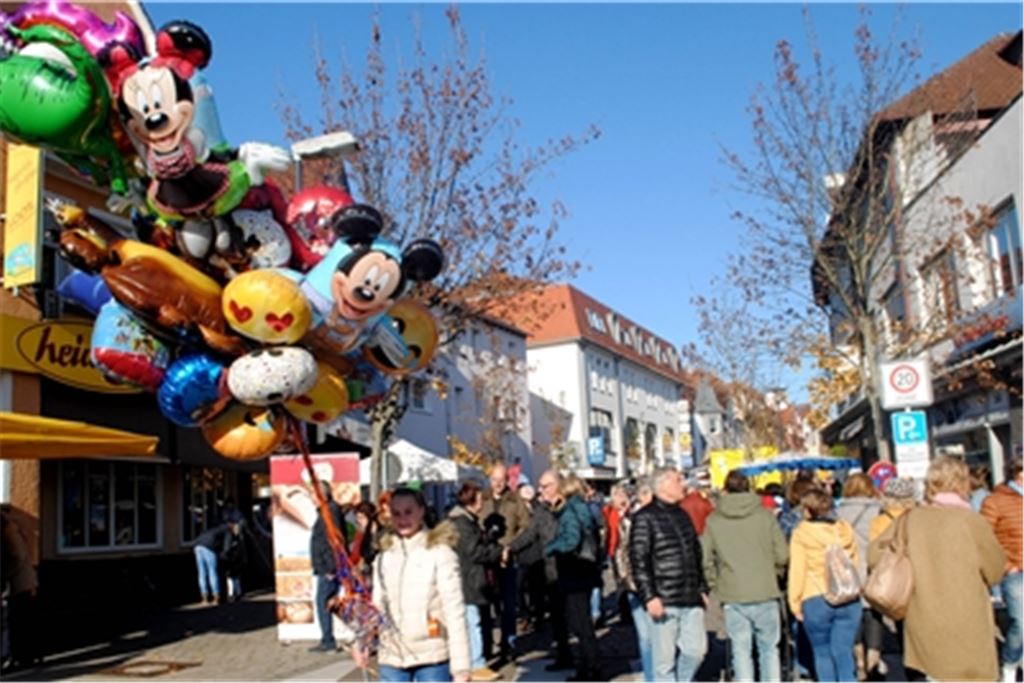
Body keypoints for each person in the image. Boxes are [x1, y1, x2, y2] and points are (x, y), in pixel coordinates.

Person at [869, 456, 1005, 681]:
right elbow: (994, 571)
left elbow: (874, 556)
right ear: (962, 483)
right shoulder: (972, 522)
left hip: (922, 621)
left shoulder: (909, 520)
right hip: (968, 624)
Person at [354, 487, 471, 682]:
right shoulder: (385, 557)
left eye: (408, 512)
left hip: (432, 655)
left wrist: (461, 667)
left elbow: (454, 609)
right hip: (392, 654)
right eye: (396, 513)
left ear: (421, 511)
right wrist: (362, 641)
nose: (403, 519)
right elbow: (377, 606)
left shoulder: (440, 553)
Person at [702, 470, 788, 682]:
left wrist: (716, 583)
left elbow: (705, 559)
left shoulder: (714, 520)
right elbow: (783, 555)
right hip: (765, 589)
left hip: (733, 592)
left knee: (741, 651)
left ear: (725, 489)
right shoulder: (765, 515)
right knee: (769, 650)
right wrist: (774, 573)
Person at [630, 467, 708, 682]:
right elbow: (639, 560)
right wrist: (649, 596)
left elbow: (695, 552)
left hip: (690, 595)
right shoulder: (645, 517)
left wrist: (702, 587)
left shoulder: (682, 514)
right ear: (663, 485)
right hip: (664, 597)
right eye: (677, 480)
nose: (682, 484)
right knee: (664, 662)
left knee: (696, 651)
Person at [787, 487, 860, 682]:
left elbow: (797, 570)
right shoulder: (844, 530)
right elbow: (854, 562)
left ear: (808, 510)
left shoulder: (802, 533)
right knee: (844, 653)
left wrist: (795, 604)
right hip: (848, 596)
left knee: (822, 653)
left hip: (815, 597)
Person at [541, 470, 602, 681]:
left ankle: (590, 669)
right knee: (582, 623)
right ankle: (589, 667)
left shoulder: (570, 510)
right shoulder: (582, 508)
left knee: (580, 624)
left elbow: (571, 540)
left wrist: (551, 547)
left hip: (574, 571)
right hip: (584, 570)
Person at [448, 481, 504, 682]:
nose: (482, 502)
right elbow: (473, 552)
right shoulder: (462, 523)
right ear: (471, 501)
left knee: (474, 621)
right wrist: (497, 551)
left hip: (470, 577)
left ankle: (476, 660)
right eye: (480, 498)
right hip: (468, 579)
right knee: (472, 622)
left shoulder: (466, 520)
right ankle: (476, 663)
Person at [515, 474, 572, 671]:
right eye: (540, 486)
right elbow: (530, 534)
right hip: (551, 572)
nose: (541, 491)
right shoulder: (541, 511)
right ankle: (565, 655)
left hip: (571, 570)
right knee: (557, 618)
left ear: (558, 486)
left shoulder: (569, 507)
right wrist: (508, 549)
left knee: (578, 620)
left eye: (545, 486)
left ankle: (591, 665)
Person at [864, 476, 917, 680]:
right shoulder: (918, 518)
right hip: (918, 579)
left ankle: (909, 668)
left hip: (896, 582)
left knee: (902, 626)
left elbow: (874, 557)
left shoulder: (879, 522)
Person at [479, 461, 531, 662]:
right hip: (486, 559)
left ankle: (508, 644)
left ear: (507, 480)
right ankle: (486, 644)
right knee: (486, 604)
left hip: (508, 557)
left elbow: (525, 527)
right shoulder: (482, 498)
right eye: (494, 479)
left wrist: (511, 546)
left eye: (501, 480)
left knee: (508, 604)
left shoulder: (515, 500)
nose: (497, 483)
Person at [835, 473, 881, 681]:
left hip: (848, 569)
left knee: (852, 615)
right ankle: (874, 656)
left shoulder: (838, 512)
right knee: (874, 614)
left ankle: (859, 657)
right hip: (873, 568)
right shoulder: (878, 511)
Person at [981, 455, 1023, 683]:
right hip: (1017, 571)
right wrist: (1007, 567)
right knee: (1022, 623)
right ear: (1019, 473)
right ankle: (1010, 663)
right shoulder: (995, 501)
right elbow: (985, 538)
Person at [615, 477, 655, 682]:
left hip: (639, 583)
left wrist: (624, 576)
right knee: (649, 636)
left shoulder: (629, 518)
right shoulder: (631, 519)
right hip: (640, 585)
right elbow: (622, 552)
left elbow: (621, 553)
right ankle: (652, 676)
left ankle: (654, 675)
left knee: (649, 637)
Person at [309, 480, 346, 653]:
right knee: (329, 602)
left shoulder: (329, 511)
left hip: (328, 568)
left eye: (312, 494)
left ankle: (328, 640)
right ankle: (328, 638)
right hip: (326, 567)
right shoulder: (326, 511)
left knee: (324, 602)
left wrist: (331, 567)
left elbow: (334, 540)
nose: (311, 498)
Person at [1, 508, 39, 671]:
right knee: (20, 621)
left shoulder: (10, 533)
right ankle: (25, 656)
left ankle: (20, 657)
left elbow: (17, 557)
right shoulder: (12, 530)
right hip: (22, 583)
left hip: (20, 584)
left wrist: (6, 575)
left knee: (16, 621)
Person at [193, 518, 235, 606]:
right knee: (212, 572)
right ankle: (216, 597)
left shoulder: (214, 528)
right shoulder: (227, 530)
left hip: (197, 545)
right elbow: (227, 545)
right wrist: (225, 555)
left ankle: (204, 598)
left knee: (202, 573)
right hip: (209, 546)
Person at [349, 501, 379, 586]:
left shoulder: (377, 533)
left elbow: (371, 555)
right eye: (357, 518)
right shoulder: (361, 532)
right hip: (362, 574)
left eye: (361, 518)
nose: (359, 521)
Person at [222, 512, 248, 602]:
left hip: (231, 558)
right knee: (237, 576)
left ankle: (231, 594)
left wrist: (224, 555)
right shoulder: (240, 537)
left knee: (230, 577)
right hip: (238, 557)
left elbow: (227, 548)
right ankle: (238, 592)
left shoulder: (229, 535)